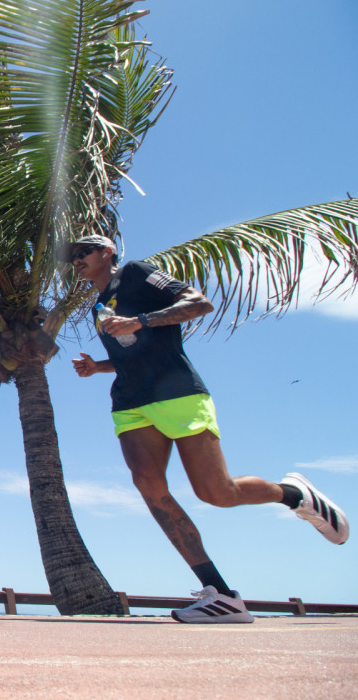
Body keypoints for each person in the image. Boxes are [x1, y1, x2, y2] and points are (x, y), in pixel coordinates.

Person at [67, 235, 348, 624]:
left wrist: (140, 319)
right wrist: (99, 366)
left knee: (217, 493)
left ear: (108, 252)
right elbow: (134, 350)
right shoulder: (98, 304)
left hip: (178, 392)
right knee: (149, 486)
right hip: (130, 402)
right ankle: (222, 595)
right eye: (72, 256)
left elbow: (199, 303)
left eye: (84, 251)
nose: (76, 258)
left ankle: (293, 493)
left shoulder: (135, 274)